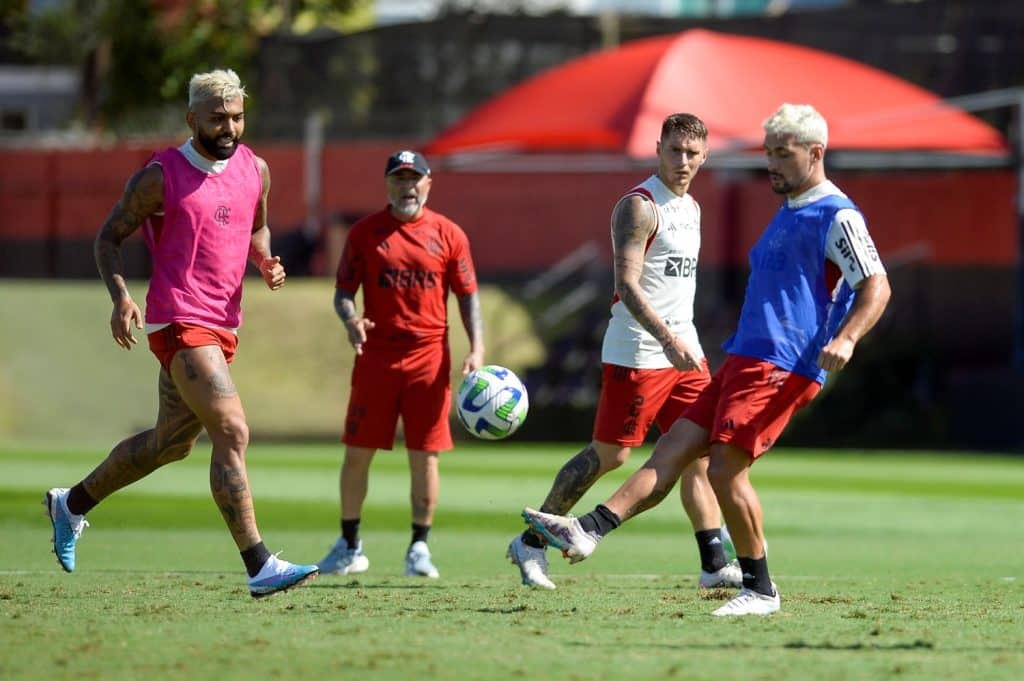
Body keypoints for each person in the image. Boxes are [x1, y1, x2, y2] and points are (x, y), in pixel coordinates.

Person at [523, 103, 891, 615]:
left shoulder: (837, 214)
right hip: (744, 356)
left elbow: (876, 284)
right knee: (673, 451)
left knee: (724, 469)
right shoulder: (788, 212)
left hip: (780, 363)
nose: (772, 164)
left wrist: (847, 339)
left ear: (815, 154)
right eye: (768, 153)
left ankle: (760, 588)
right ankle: (587, 531)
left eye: (782, 154)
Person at [43, 69, 319, 598]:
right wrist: (121, 297)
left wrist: (264, 258)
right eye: (217, 118)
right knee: (232, 430)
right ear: (192, 118)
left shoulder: (255, 169)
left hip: (223, 324)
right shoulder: (159, 175)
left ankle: (71, 503)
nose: (229, 127)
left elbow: (257, 225)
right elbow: (108, 239)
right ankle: (260, 564)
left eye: (237, 116)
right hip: (178, 320)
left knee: (169, 445)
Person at [506, 113, 741, 592]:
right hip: (639, 351)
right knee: (611, 456)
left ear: (705, 157)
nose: (683, 161)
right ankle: (531, 542)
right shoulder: (639, 206)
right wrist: (667, 339)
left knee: (698, 452)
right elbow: (626, 285)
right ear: (657, 149)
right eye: (674, 150)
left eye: (692, 153)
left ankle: (714, 564)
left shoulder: (692, 207)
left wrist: (684, 342)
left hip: (686, 353)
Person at [318, 150, 484, 579]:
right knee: (357, 453)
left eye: (415, 178)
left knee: (425, 457)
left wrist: (477, 347)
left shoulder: (449, 234)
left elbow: (468, 295)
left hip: (429, 361)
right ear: (387, 184)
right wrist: (351, 320)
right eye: (399, 179)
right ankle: (349, 544)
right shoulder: (365, 233)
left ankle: (419, 548)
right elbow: (342, 292)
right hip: (376, 359)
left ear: (428, 183)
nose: (407, 186)